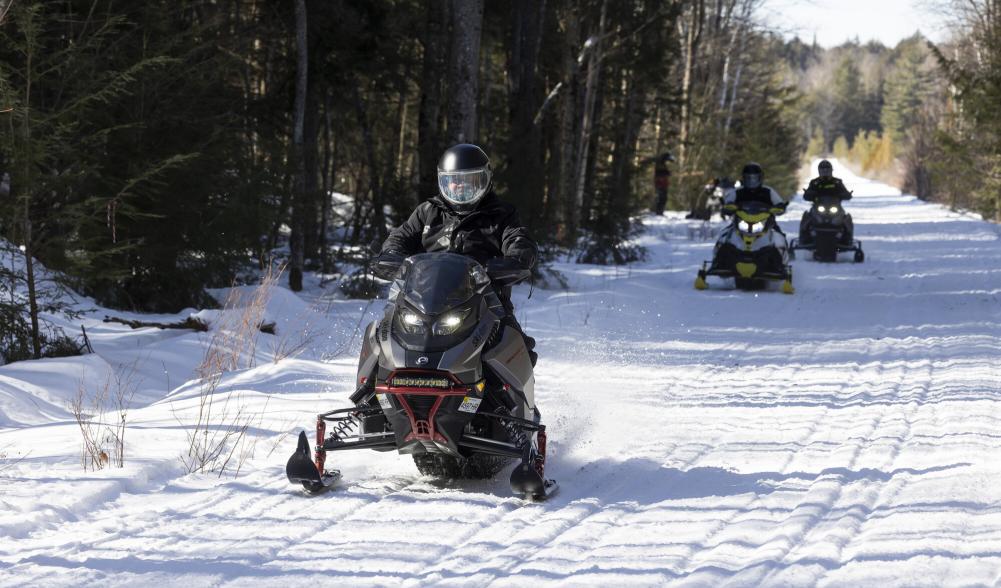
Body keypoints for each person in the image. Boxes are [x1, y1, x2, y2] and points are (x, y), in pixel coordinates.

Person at [375, 143, 538, 364]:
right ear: (442, 181)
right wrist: (393, 254)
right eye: (452, 180)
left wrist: (517, 258)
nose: (459, 187)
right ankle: (370, 390)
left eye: (468, 181)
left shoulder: (501, 214)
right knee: (382, 335)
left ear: (484, 180)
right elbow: (401, 236)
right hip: (423, 301)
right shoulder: (428, 212)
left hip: (485, 301)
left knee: (517, 347)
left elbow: (517, 237)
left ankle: (515, 397)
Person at [800, 159, 853, 245]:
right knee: (807, 217)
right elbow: (807, 194)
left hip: (835, 207)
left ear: (831, 170)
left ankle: (847, 239)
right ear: (819, 171)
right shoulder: (814, 182)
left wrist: (846, 195)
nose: (825, 171)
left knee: (846, 219)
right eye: (823, 169)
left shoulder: (837, 182)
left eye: (827, 169)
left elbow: (845, 192)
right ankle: (805, 238)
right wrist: (809, 194)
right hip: (818, 207)